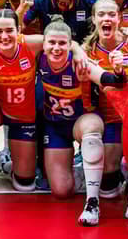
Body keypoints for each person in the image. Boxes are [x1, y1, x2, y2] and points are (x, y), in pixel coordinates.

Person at [0, 9, 88, 192]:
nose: (4, 36)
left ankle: (7, 163)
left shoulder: (30, 43)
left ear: (19, 30)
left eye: (9, 30)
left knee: (25, 185)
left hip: (23, 117)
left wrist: (78, 52)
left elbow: (63, 40)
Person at [36, 19, 122, 209]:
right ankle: (81, 170)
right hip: (55, 125)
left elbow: (109, 80)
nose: (56, 48)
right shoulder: (38, 58)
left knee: (91, 129)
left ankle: (92, 201)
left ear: (69, 44)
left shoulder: (79, 62)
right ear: (43, 44)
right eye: (52, 43)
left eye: (62, 43)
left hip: (82, 121)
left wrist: (118, 70)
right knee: (61, 192)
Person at [80, 0, 128, 220]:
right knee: (107, 184)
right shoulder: (87, 51)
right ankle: (121, 171)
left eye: (111, 14)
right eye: (101, 14)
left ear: (119, 19)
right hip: (109, 118)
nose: (106, 18)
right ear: (94, 19)